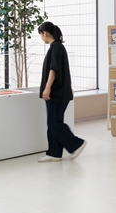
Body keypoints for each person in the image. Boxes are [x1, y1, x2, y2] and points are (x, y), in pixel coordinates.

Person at [37, 21, 87, 162]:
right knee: (54, 122)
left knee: (54, 123)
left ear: (45, 33)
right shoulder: (57, 47)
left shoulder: (56, 47)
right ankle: (54, 153)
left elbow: (54, 69)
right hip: (60, 92)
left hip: (56, 93)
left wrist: (47, 88)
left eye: (40, 35)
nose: (41, 38)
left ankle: (76, 144)